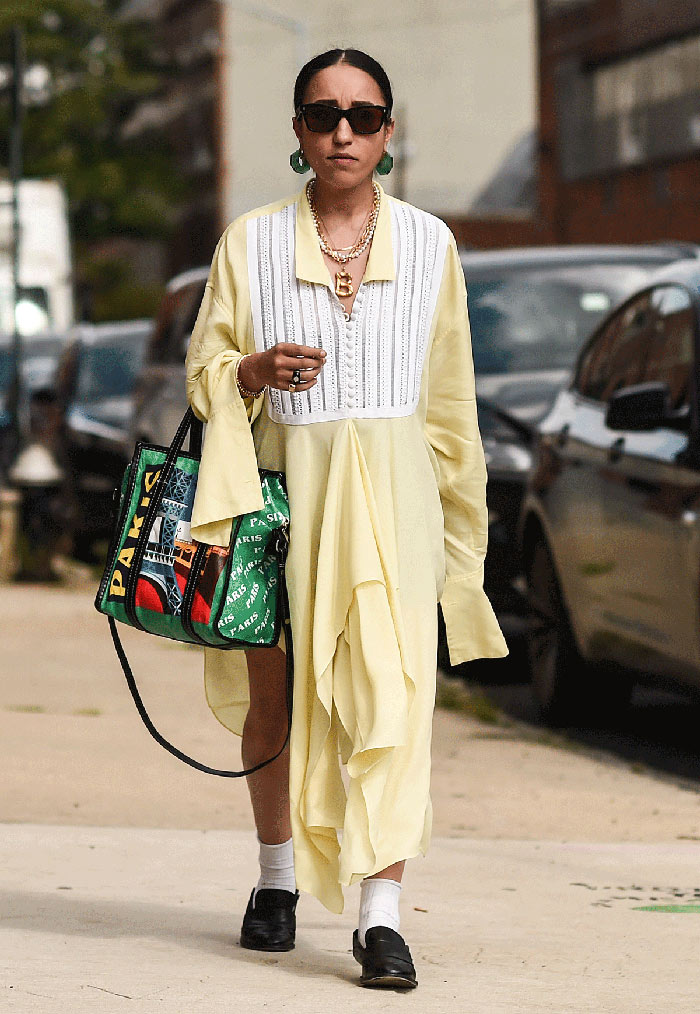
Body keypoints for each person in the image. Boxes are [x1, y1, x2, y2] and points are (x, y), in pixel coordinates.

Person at [185, 48, 507, 989]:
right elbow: (206, 374)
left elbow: (451, 408)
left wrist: (460, 540)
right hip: (283, 503)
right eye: (324, 115)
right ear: (296, 132)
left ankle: (379, 915)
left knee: (393, 701)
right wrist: (250, 373)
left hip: (396, 504)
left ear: (388, 134)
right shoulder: (247, 245)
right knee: (277, 699)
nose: (342, 132)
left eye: (363, 117)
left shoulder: (432, 245)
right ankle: (277, 880)